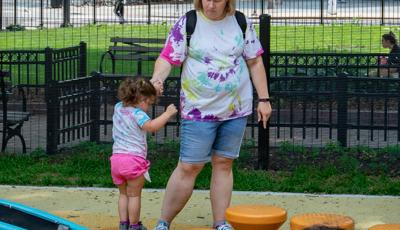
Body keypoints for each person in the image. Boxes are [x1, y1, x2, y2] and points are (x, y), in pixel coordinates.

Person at [150, 0, 272, 228]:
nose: (210, 4)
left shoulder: (240, 21)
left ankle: (221, 223)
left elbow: (254, 61)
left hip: (235, 109)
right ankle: (163, 223)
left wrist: (264, 99)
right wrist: (157, 79)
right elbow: (167, 57)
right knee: (189, 166)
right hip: (198, 110)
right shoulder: (189, 22)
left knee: (224, 163)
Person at [110, 77, 177, 230]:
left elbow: (138, 97)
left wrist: (151, 90)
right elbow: (152, 126)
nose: (148, 106)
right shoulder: (139, 114)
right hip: (133, 160)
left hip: (116, 159)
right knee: (134, 195)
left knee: (123, 195)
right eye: (149, 103)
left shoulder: (118, 107)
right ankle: (134, 226)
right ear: (141, 100)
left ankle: (123, 224)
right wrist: (167, 114)